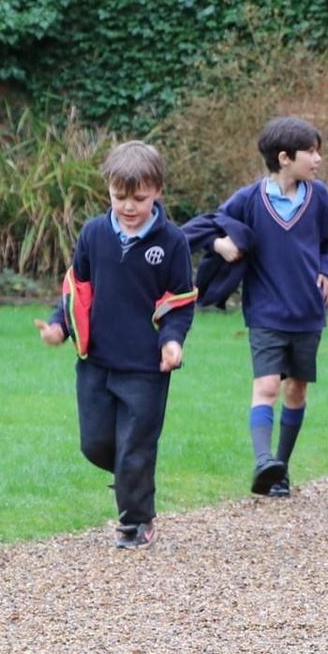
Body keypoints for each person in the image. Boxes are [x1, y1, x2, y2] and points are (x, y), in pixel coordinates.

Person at [35, 141, 196, 549]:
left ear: (157, 190)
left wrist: (172, 342)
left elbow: (179, 303)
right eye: (119, 196)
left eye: (139, 198)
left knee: (134, 446)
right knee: (95, 444)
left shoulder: (172, 242)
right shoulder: (93, 234)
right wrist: (59, 326)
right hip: (97, 363)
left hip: (146, 367)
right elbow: (77, 292)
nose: (128, 206)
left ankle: (137, 521)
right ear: (108, 189)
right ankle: (133, 474)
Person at [205, 116, 328, 499]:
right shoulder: (249, 199)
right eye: (311, 152)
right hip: (265, 311)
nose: (318, 159)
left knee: (296, 391)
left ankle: (279, 469)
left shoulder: (319, 198)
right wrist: (220, 245)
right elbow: (211, 224)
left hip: (307, 312)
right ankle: (263, 459)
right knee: (267, 385)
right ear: (285, 158)